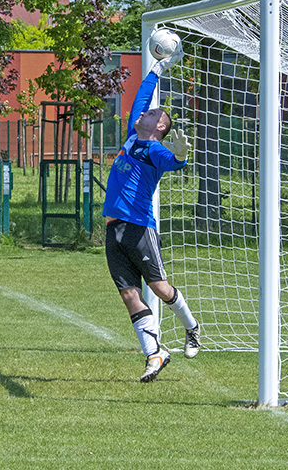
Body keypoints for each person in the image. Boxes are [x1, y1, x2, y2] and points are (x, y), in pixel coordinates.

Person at [103, 34, 200, 383]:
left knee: (159, 287)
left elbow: (176, 164)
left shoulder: (157, 151)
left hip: (139, 227)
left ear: (160, 127)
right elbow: (141, 98)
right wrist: (156, 69)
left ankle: (191, 326)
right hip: (113, 228)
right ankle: (154, 353)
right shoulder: (133, 134)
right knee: (129, 294)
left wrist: (182, 152)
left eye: (156, 113)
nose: (148, 111)